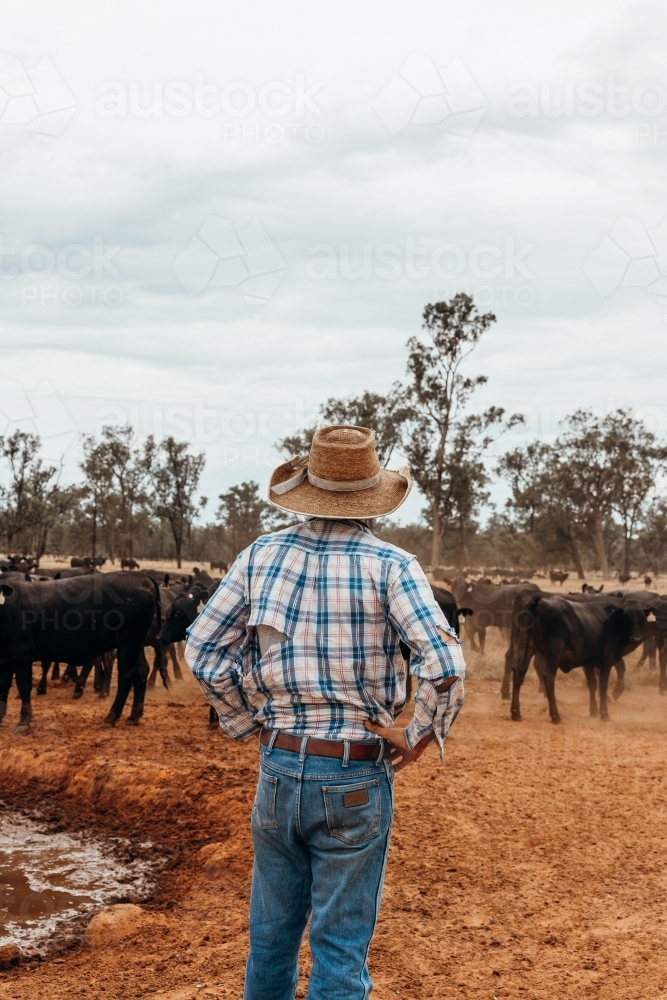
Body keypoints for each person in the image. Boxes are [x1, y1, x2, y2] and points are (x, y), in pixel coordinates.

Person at [185, 425, 465, 1000]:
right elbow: (446, 665)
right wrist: (413, 736)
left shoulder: (260, 555)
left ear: (308, 487)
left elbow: (203, 651)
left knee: (270, 939)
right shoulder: (393, 565)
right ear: (371, 498)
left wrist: (249, 722)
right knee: (339, 948)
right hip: (356, 770)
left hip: (280, 764)